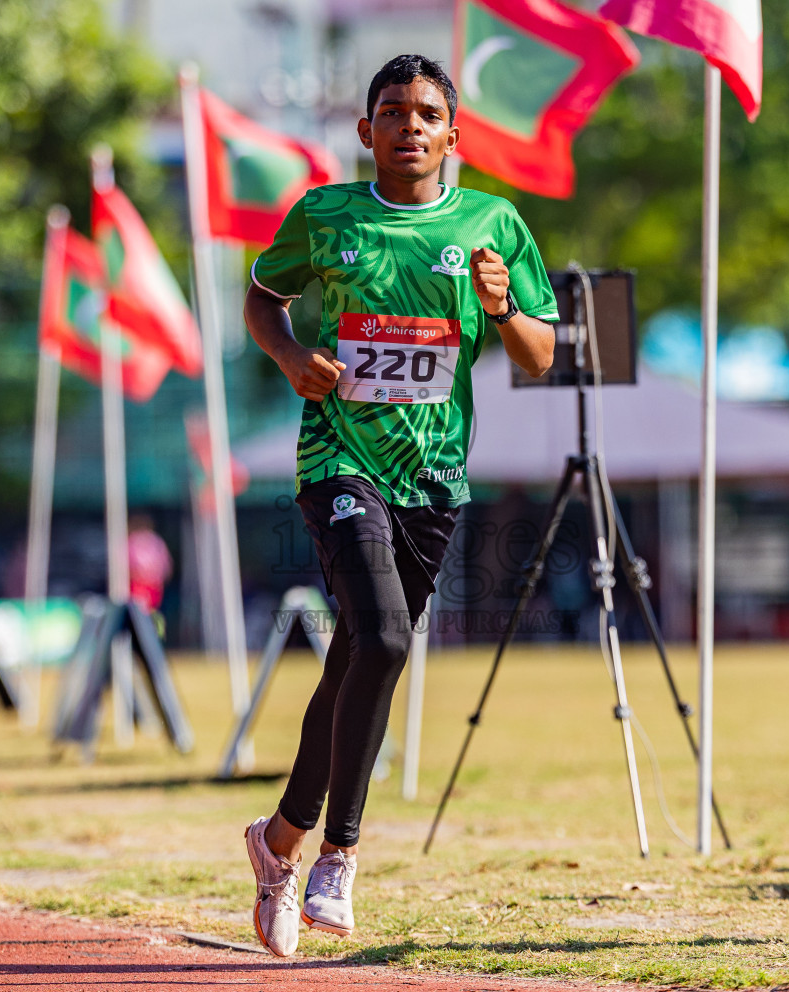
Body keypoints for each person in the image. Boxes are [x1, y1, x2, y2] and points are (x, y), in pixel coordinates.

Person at [239, 53, 556, 956]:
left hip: (435, 480)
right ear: (365, 130)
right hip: (339, 460)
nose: (409, 125)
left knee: (356, 658)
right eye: (392, 111)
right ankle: (339, 852)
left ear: (453, 136)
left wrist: (502, 310)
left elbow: (538, 357)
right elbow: (263, 300)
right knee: (381, 638)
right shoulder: (324, 216)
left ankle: (278, 842)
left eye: (427, 114)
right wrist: (292, 358)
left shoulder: (493, 223)